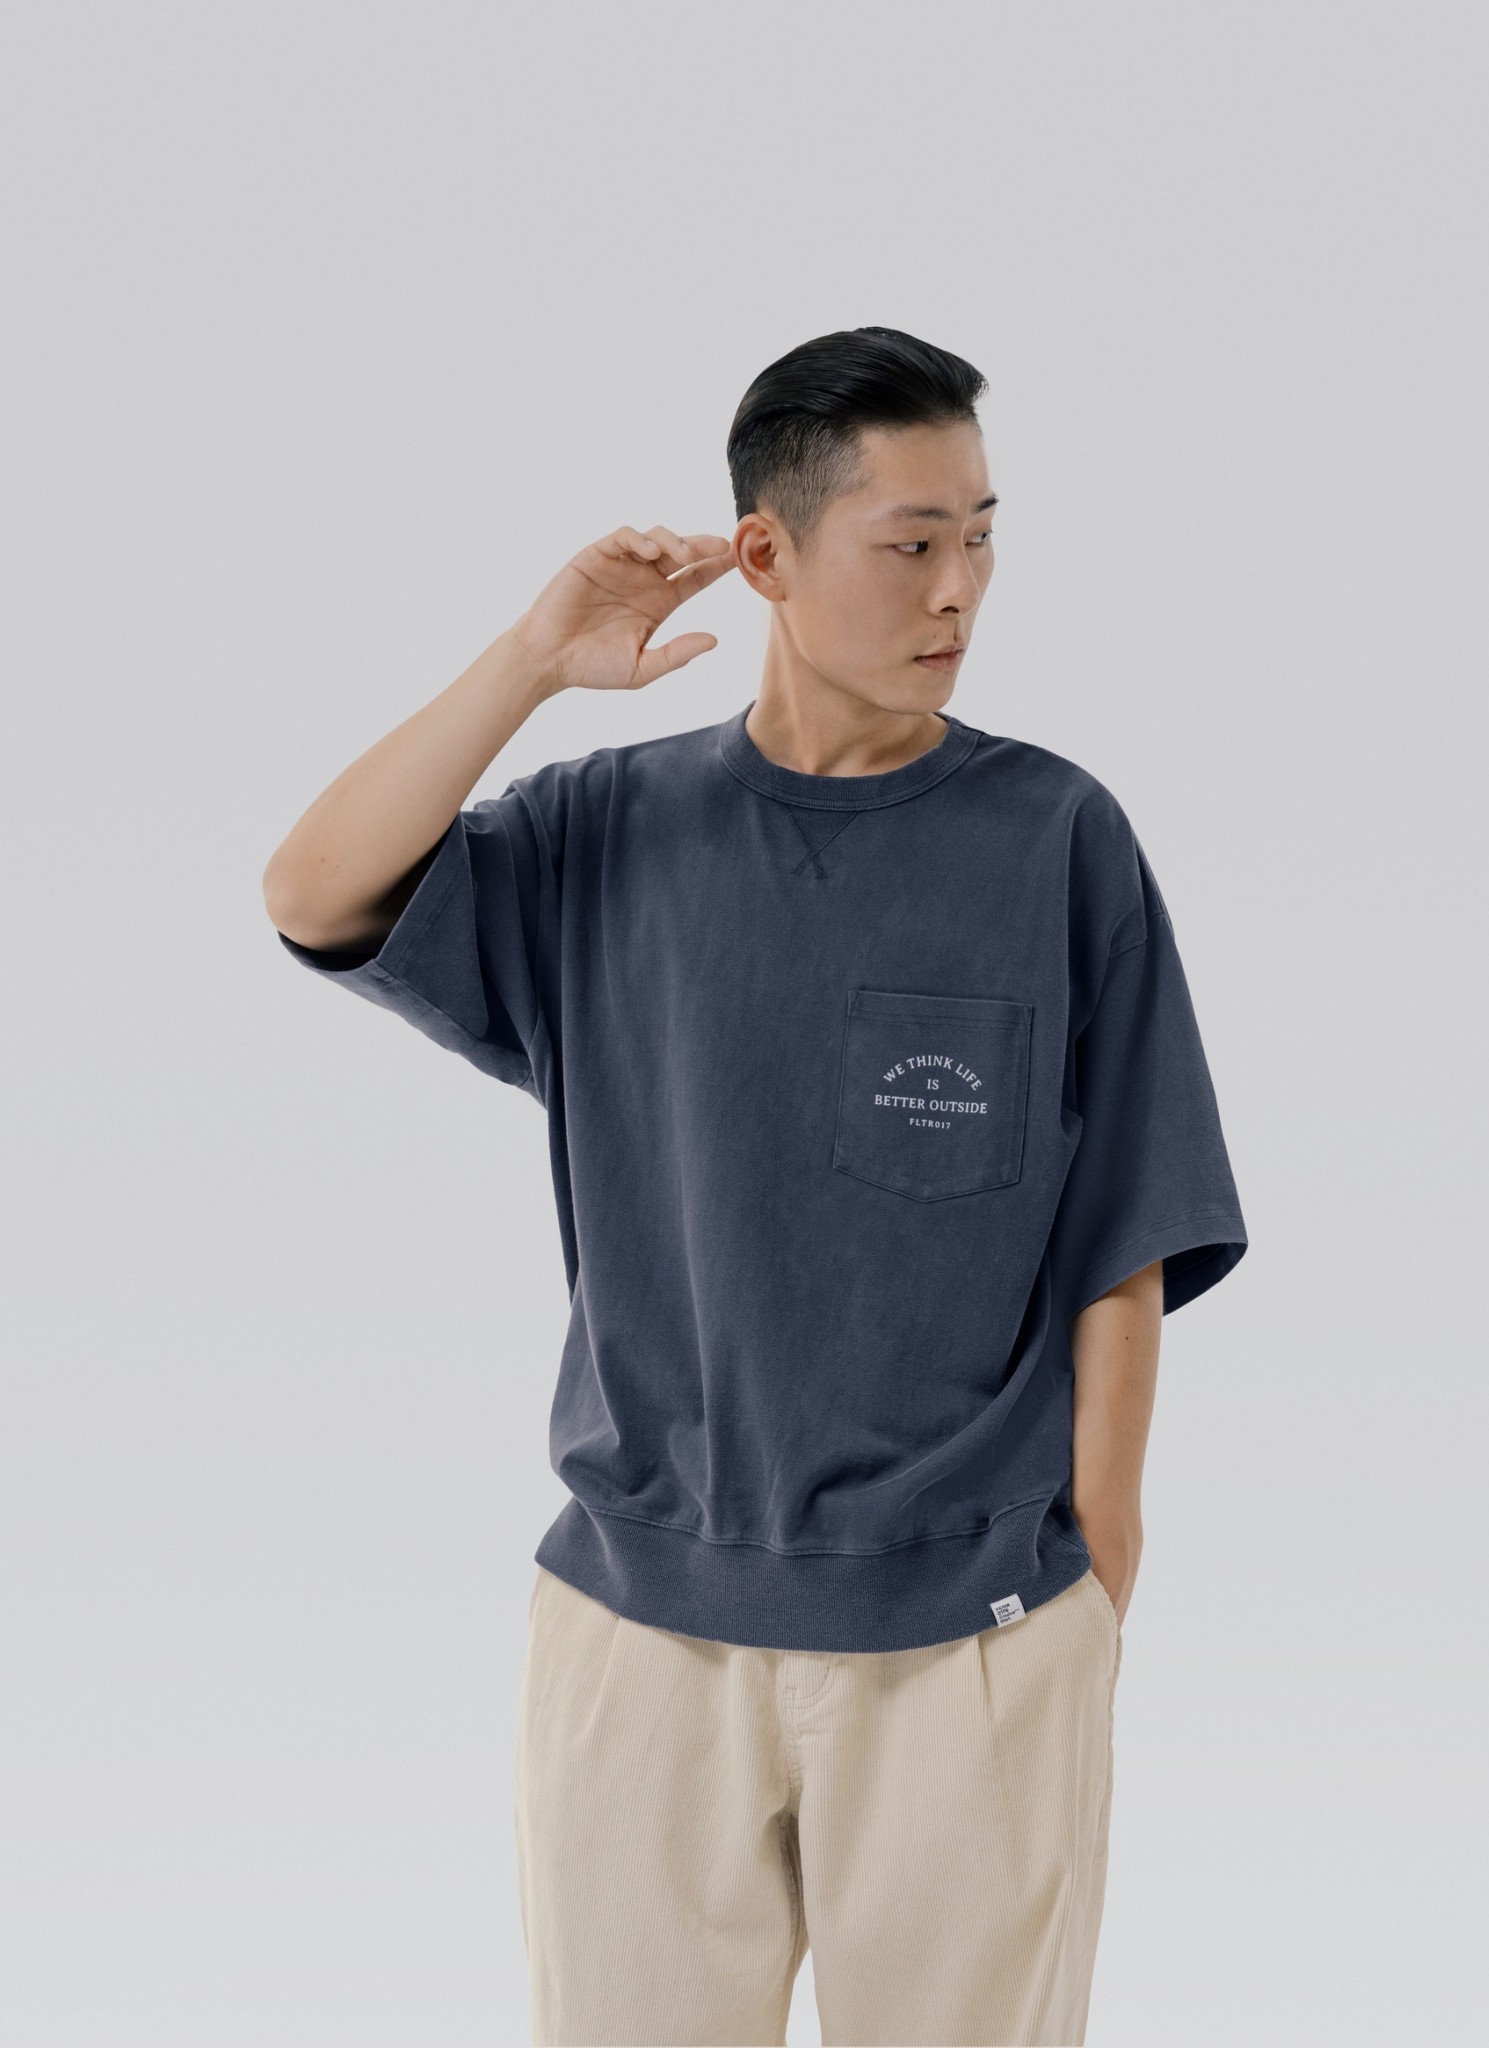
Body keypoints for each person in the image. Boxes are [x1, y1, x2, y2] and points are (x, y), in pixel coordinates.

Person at [263, 326, 1248, 2047]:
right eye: (911, 543)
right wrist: (530, 662)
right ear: (768, 557)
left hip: (971, 1638)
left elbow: (1127, 1228)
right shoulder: (603, 834)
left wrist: (1097, 1567)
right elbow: (314, 891)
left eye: (981, 537)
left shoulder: (1053, 838)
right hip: (639, 1636)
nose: (959, 589)